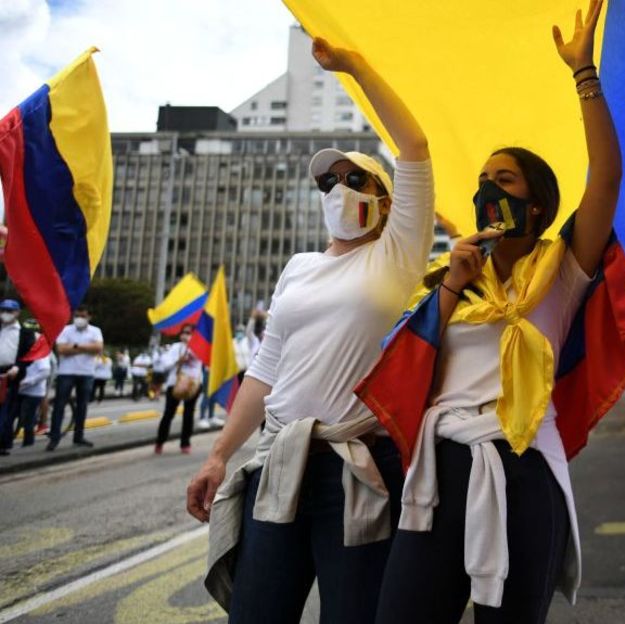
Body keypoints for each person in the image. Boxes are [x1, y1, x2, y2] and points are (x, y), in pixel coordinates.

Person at [366, 4, 625, 621]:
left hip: (523, 471)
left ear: (539, 206)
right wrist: (451, 286)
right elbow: (408, 371)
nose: (489, 189)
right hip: (438, 474)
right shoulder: (453, 279)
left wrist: (584, 72)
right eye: (483, 179)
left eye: (506, 180)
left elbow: (605, 178)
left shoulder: (563, 271)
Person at [187, 34, 435, 623]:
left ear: (385, 198)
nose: (339, 192)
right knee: (256, 612)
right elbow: (265, 371)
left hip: (358, 470)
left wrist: (354, 67)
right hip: (279, 463)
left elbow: (415, 146)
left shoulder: (397, 255)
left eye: (355, 181)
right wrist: (219, 456)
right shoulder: (298, 269)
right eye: (329, 184)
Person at [47, 306, 103, 451]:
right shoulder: (66, 330)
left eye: (83, 316)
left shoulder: (95, 331)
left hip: (86, 373)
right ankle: (54, 438)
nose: (79, 319)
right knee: (59, 405)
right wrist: (86, 348)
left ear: (89, 317)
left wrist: (74, 346)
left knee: (82, 406)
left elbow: (98, 348)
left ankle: (79, 436)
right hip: (66, 372)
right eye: (77, 316)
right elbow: (61, 349)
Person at [155, 326, 204, 454]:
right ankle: (160, 441)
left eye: (188, 333)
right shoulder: (176, 347)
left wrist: (191, 345)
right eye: (183, 332)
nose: (184, 335)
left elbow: (203, 360)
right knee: (168, 413)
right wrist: (178, 360)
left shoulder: (198, 347)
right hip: (175, 384)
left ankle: (185, 443)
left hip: (193, 385)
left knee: (188, 414)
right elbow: (165, 364)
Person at [0, 300, 38, 455]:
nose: (5, 313)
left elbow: (28, 356)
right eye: (3, 310)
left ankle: (3, 443)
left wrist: (18, 367)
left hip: (10, 375)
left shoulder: (24, 333)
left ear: (17, 313)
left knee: (6, 411)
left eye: (9, 311)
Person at [15, 350, 51, 448]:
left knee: (28, 419)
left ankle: (28, 443)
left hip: (34, 391)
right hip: (20, 389)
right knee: (19, 416)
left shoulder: (40, 351)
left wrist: (28, 382)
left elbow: (45, 371)